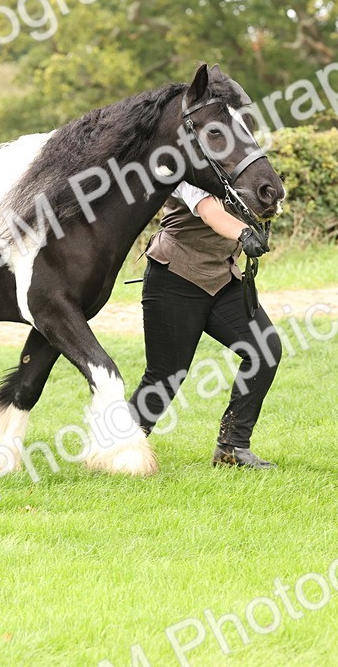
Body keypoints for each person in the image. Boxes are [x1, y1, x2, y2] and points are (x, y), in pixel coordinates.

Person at [127, 181, 282, 469]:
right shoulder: (188, 169)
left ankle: (232, 448)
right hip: (175, 277)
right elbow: (210, 212)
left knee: (265, 349)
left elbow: (259, 195)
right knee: (166, 375)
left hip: (222, 278)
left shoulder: (233, 167)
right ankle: (119, 444)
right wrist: (244, 233)